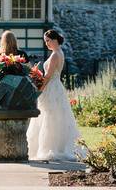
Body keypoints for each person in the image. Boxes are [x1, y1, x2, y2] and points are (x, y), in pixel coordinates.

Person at [26, 29, 80, 161]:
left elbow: (48, 76)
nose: (46, 44)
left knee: (49, 116)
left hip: (51, 88)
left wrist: (39, 90)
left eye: (48, 41)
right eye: (45, 42)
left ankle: (50, 147)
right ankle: (55, 146)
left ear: (55, 39)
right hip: (56, 87)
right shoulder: (59, 52)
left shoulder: (56, 54)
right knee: (55, 116)